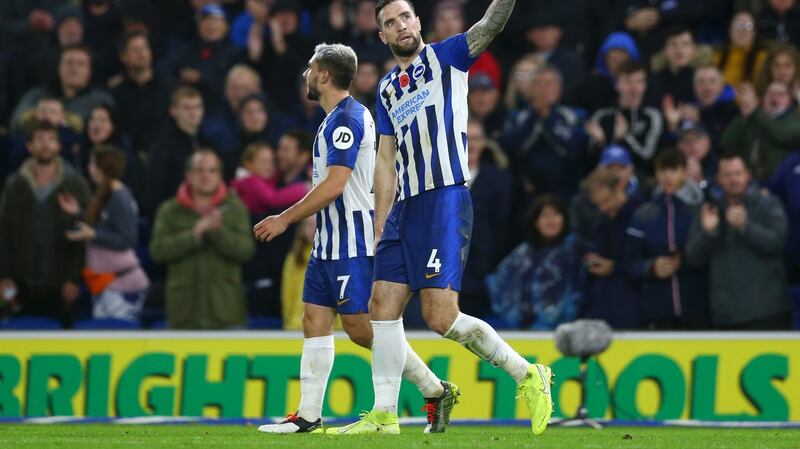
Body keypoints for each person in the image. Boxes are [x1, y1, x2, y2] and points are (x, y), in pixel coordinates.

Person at [326, 0, 553, 436]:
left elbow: (492, 24)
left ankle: (528, 374)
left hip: (444, 199)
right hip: (404, 209)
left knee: (441, 318)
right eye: (389, 23)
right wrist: (380, 221)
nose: (400, 26)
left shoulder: (448, 56)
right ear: (383, 36)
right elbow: (386, 161)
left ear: (417, 21)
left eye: (404, 17)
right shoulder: (388, 88)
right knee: (380, 307)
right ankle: (385, 417)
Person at [254, 43, 454, 434]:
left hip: (353, 244)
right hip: (327, 245)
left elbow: (335, 185)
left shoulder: (348, 119)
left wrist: (283, 218)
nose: (306, 76)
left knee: (363, 331)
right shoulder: (332, 120)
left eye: (311, 69)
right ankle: (308, 416)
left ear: (325, 75)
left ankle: (434, 389)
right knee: (314, 321)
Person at [149, 150, 255, 329]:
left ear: (220, 175)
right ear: (188, 175)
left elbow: (246, 251)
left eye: (212, 170)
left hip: (226, 312)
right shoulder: (169, 210)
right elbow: (158, 251)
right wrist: (193, 235)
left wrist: (217, 231)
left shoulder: (235, 208)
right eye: (200, 170)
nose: (206, 176)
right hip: (183, 314)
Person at [685, 154, 791, 329]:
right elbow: (692, 258)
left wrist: (746, 228)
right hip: (727, 314)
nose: (733, 179)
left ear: (748, 174)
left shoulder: (768, 204)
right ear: (718, 179)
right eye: (727, 175)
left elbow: (778, 243)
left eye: (737, 173)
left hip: (768, 311)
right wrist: (708, 233)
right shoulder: (708, 209)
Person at [0, 120, 90, 326]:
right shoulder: (15, 184)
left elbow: (84, 235)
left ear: (59, 146)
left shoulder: (76, 183)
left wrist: (74, 278)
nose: (46, 145)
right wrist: (4, 276)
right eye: (39, 140)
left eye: (51, 140)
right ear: (29, 146)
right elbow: (3, 232)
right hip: (21, 280)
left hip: (61, 282)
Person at [59, 145, 149, 320]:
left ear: (104, 166)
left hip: (122, 283)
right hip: (103, 282)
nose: (89, 167)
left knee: (118, 339)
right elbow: (101, 227)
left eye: (93, 163)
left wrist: (92, 235)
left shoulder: (119, 197)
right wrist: (77, 213)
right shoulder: (103, 193)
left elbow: (127, 239)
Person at [624, 150, 708, 329]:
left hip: (698, 309)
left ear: (685, 172)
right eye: (662, 171)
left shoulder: (701, 210)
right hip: (657, 311)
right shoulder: (642, 215)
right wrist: (651, 267)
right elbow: (630, 262)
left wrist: (682, 261)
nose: (667, 176)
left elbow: (711, 253)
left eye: (674, 170)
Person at [486, 195, 583, 330]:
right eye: (544, 216)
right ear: (535, 221)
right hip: (526, 329)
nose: (551, 221)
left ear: (564, 219)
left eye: (556, 214)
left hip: (570, 328)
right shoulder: (522, 255)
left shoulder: (577, 251)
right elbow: (501, 288)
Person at [578, 165, 643, 329]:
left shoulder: (641, 216)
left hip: (634, 307)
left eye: (606, 201)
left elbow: (646, 263)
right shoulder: (601, 222)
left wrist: (614, 268)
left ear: (618, 188)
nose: (602, 208)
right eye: (597, 205)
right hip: (604, 306)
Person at [142, 86, 212, 219]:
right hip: (175, 217)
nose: (193, 113)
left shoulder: (209, 145)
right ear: (173, 111)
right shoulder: (162, 148)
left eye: (197, 107)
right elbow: (153, 194)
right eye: (187, 108)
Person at [587, 60, 664, 176]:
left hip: (640, 181)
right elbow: (589, 163)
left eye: (639, 82)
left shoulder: (652, 116)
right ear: (617, 85)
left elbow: (648, 160)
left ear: (645, 86)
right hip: (604, 181)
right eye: (628, 82)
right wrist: (599, 143)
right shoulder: (602, 116)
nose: (634, 88)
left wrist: (625, 138)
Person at [722, 80, 800, 181]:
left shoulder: (795, 119)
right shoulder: (753, 116)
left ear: (790, 99)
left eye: (780, 94)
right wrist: (744, 115)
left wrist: (754, 111)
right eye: (770, 93)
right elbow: (727, 143)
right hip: (749, 180)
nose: (774, 97)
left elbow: (781, 135)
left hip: (779, 181)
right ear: (763, 98)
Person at [230, 142, 308, 214]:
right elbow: (274, 199)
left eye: (271, 161)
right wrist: (303, 188)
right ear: (248, 164)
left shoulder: (262, 178)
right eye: (263, 162)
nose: (268, 166)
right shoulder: (251, 182)